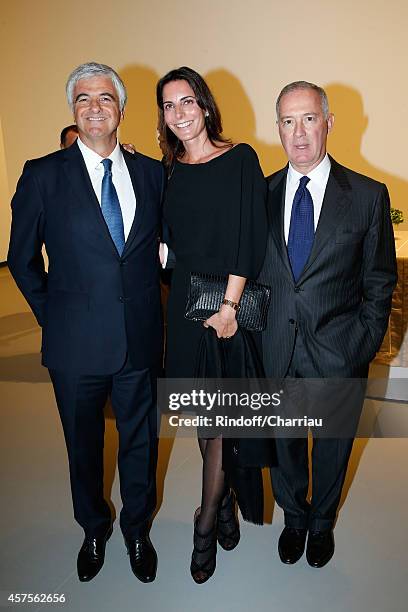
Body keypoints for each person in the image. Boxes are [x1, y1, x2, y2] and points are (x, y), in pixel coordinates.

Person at [8, 62, 165, 583]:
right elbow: (23, 260)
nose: (94, 107)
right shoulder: (42, 174)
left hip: (140, 338)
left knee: (140, 442)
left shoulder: (150, 173)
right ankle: (93, 528)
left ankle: (137, 531)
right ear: (73, 109)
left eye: (104, 98)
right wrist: (54, 317)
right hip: (73, 345)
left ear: (121, 108)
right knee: (83, 446)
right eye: (83, 99)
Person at [258, 81, 397, 568]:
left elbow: (380, 280)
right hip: (279, 350)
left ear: (328, 123)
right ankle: (295, 519)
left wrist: (361, 345)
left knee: (333, 447)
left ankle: (322, 524)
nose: (298, 133)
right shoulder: (262, 193)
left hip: (339, 351)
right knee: (288, 445)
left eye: (309, 119)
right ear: (277, 128)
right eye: (287, 121)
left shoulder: (365, 195)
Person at [156, 66, 267, 583]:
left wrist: (228, 306)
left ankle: (204, 525)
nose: (178, 113)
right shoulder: (169, 170)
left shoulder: (240, 158)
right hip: (184, 308)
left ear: (204, 105)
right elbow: (168, 237)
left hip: (226, 307)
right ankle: (222, 507)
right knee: (204, 419)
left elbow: (250, 237)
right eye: (168, 105)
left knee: (222, 421)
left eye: (186, 102)